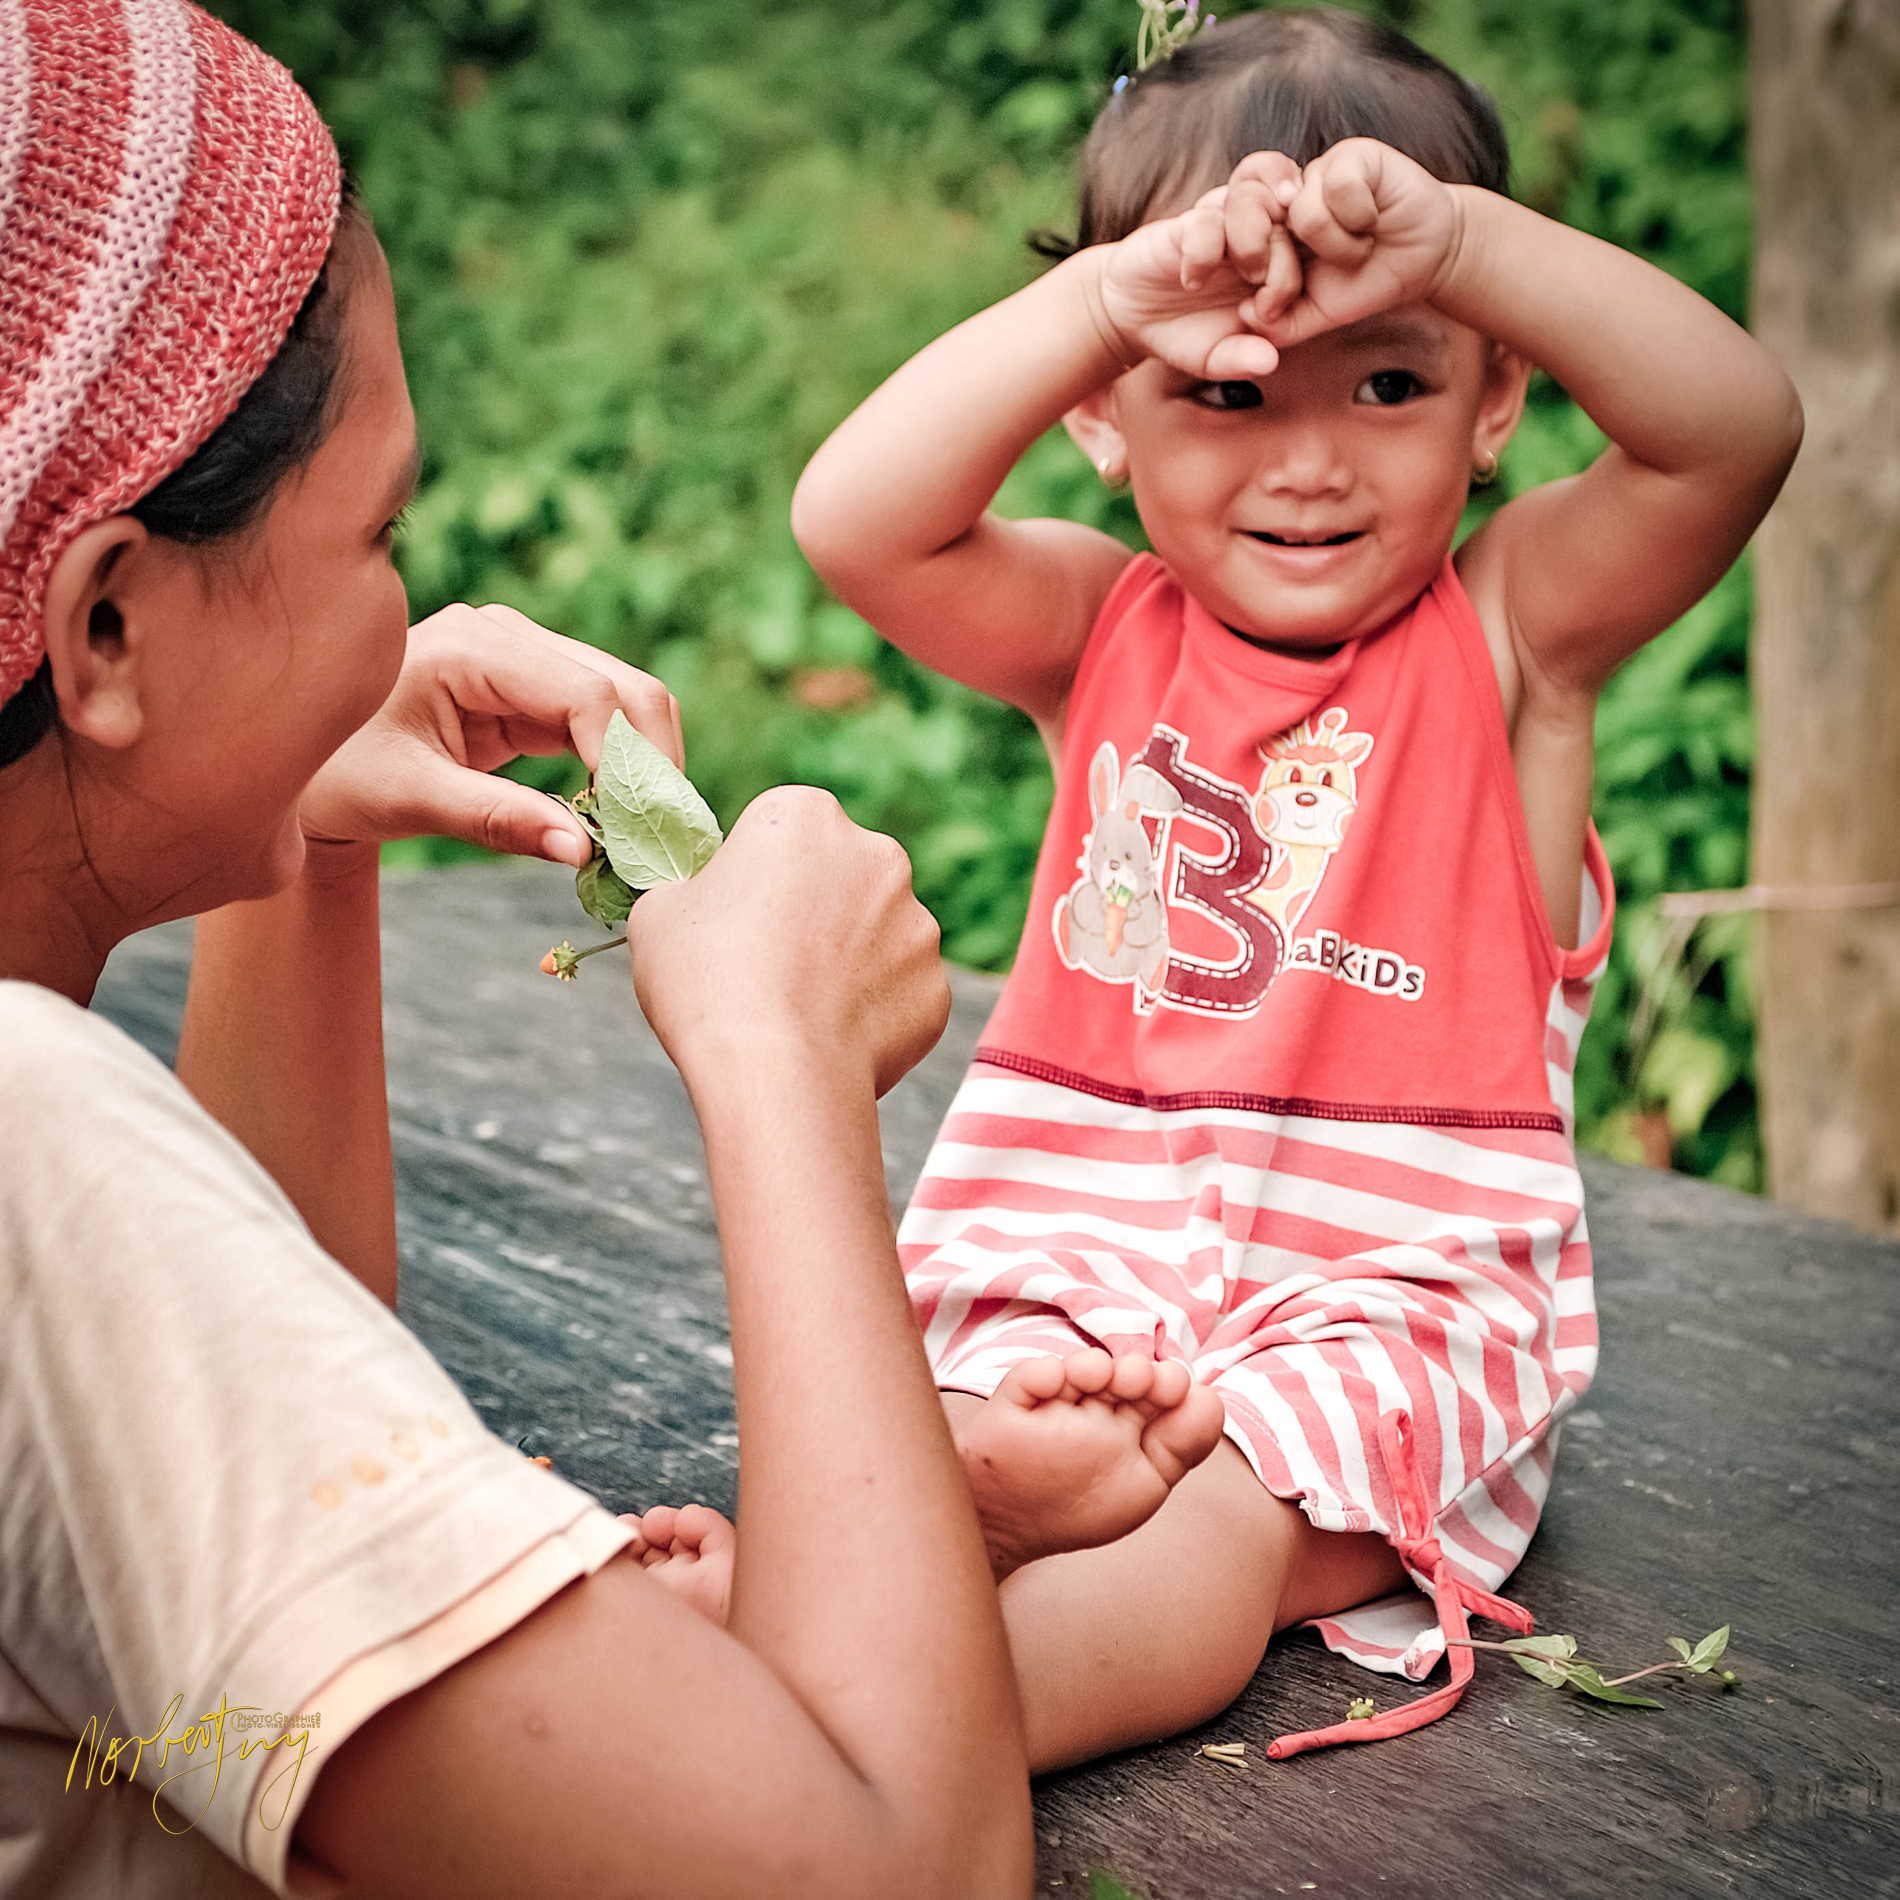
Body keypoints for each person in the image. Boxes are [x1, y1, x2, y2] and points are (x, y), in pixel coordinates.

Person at [0, 4, 1033, 1897]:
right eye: (385, 529)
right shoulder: (30, 1141)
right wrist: (783, 1067)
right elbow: (907, 1867)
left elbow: (262, 1437)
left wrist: (289, 840)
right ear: (107, 631)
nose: (409, 601)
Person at [769, 3, 1798, 1771]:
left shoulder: (1512, 636)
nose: (1309, 462)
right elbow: (854, 520)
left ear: (1497, 402)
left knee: (1215, 1528)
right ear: (1106, 415)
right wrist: (1104, 298)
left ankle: (903, 1744)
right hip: (1078, 1258)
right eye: (1226, 394)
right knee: (903, 1442)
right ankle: (800, 1634)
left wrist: (1465, 244)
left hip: (1384, 1302)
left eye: (1390, 382)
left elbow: (1738, 430)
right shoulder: (1101, 632)